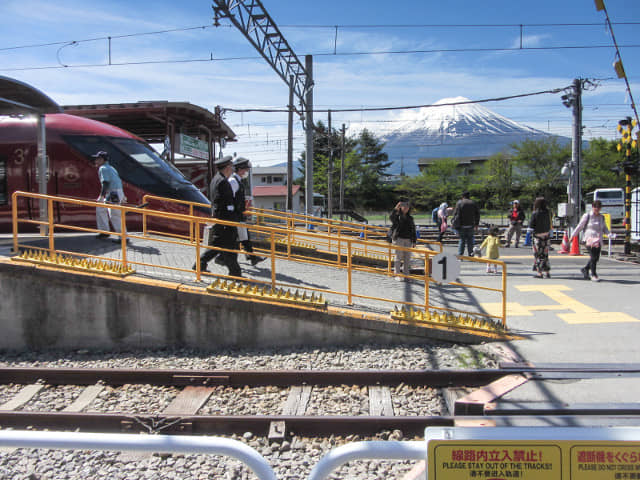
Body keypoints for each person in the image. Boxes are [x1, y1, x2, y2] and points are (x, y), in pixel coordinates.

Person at [194, 156, 241, 278]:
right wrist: (232, 216)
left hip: (220, 218)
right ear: (227, 168)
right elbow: (224, 202)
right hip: (225, 219)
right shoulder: (222, 182)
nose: (232, 170)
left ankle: (200, 265)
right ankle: (235, 273)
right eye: (231, 167)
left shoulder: (216, 179)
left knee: (217, 245)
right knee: (229, 247)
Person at [228, 157, 265, 266]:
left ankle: (251, 257)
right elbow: (229, 198)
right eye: (245, 170)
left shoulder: (238, 181)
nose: (246, 172)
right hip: (235, 215)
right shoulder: (233, 181)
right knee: (239, 237)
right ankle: (222, 258)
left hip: (239, 214)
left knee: (244, 235)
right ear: (239, 169)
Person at [570, 200, 611, 282]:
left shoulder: (601, 217)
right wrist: (573, 235)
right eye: (595, 207)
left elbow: (604, 228)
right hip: (589, 239)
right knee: (593, 257)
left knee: (596, 258)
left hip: (598, 239)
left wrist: (609, 234)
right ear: (592, 207)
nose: (597, 209)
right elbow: (580, 226)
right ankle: (594, 274)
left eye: (598, 207)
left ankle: (585, 269)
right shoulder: (587, 216)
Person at [92, 151, 126, 242]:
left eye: (97, 159)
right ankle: (104, 231)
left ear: (102, 160)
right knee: (100, 208)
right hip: (116, 192)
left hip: (113, 193)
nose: (95, 160)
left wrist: (101, 196)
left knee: (115, 215)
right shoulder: (111, 168)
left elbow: (105, 183)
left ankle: (123, 238)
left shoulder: (103, 168)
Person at [389, 199, 416, 281]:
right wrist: (396, 208)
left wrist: (414, 240)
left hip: (408, 239)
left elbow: (413, 230)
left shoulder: (410, 218)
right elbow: (392, 218)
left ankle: (406, 275)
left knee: (407, 258)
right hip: (399, 238)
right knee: (398, 257)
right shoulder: (397, 216)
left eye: (407, 207)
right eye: (404, 206)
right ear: (401, 207)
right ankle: (397, 274)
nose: (406, 208)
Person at [529, 196, 552, 278]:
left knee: (537, 255)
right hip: (546, 237)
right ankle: (547, 271)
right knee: (545, 255)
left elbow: (531, 225)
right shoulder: (548, 212)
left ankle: (540, 272)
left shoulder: (535, 213)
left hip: (538, 237)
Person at [452, 191, 480, 257]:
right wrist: (476, 224)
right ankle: (471, 254)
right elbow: (477, 214)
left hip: (461, 225)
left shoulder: (459, 203)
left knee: (462, 240)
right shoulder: (473, 203)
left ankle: (460, 255)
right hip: (471, 225)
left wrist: (454, 223)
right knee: (470, 241)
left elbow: (455, 214)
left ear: (462, 196)